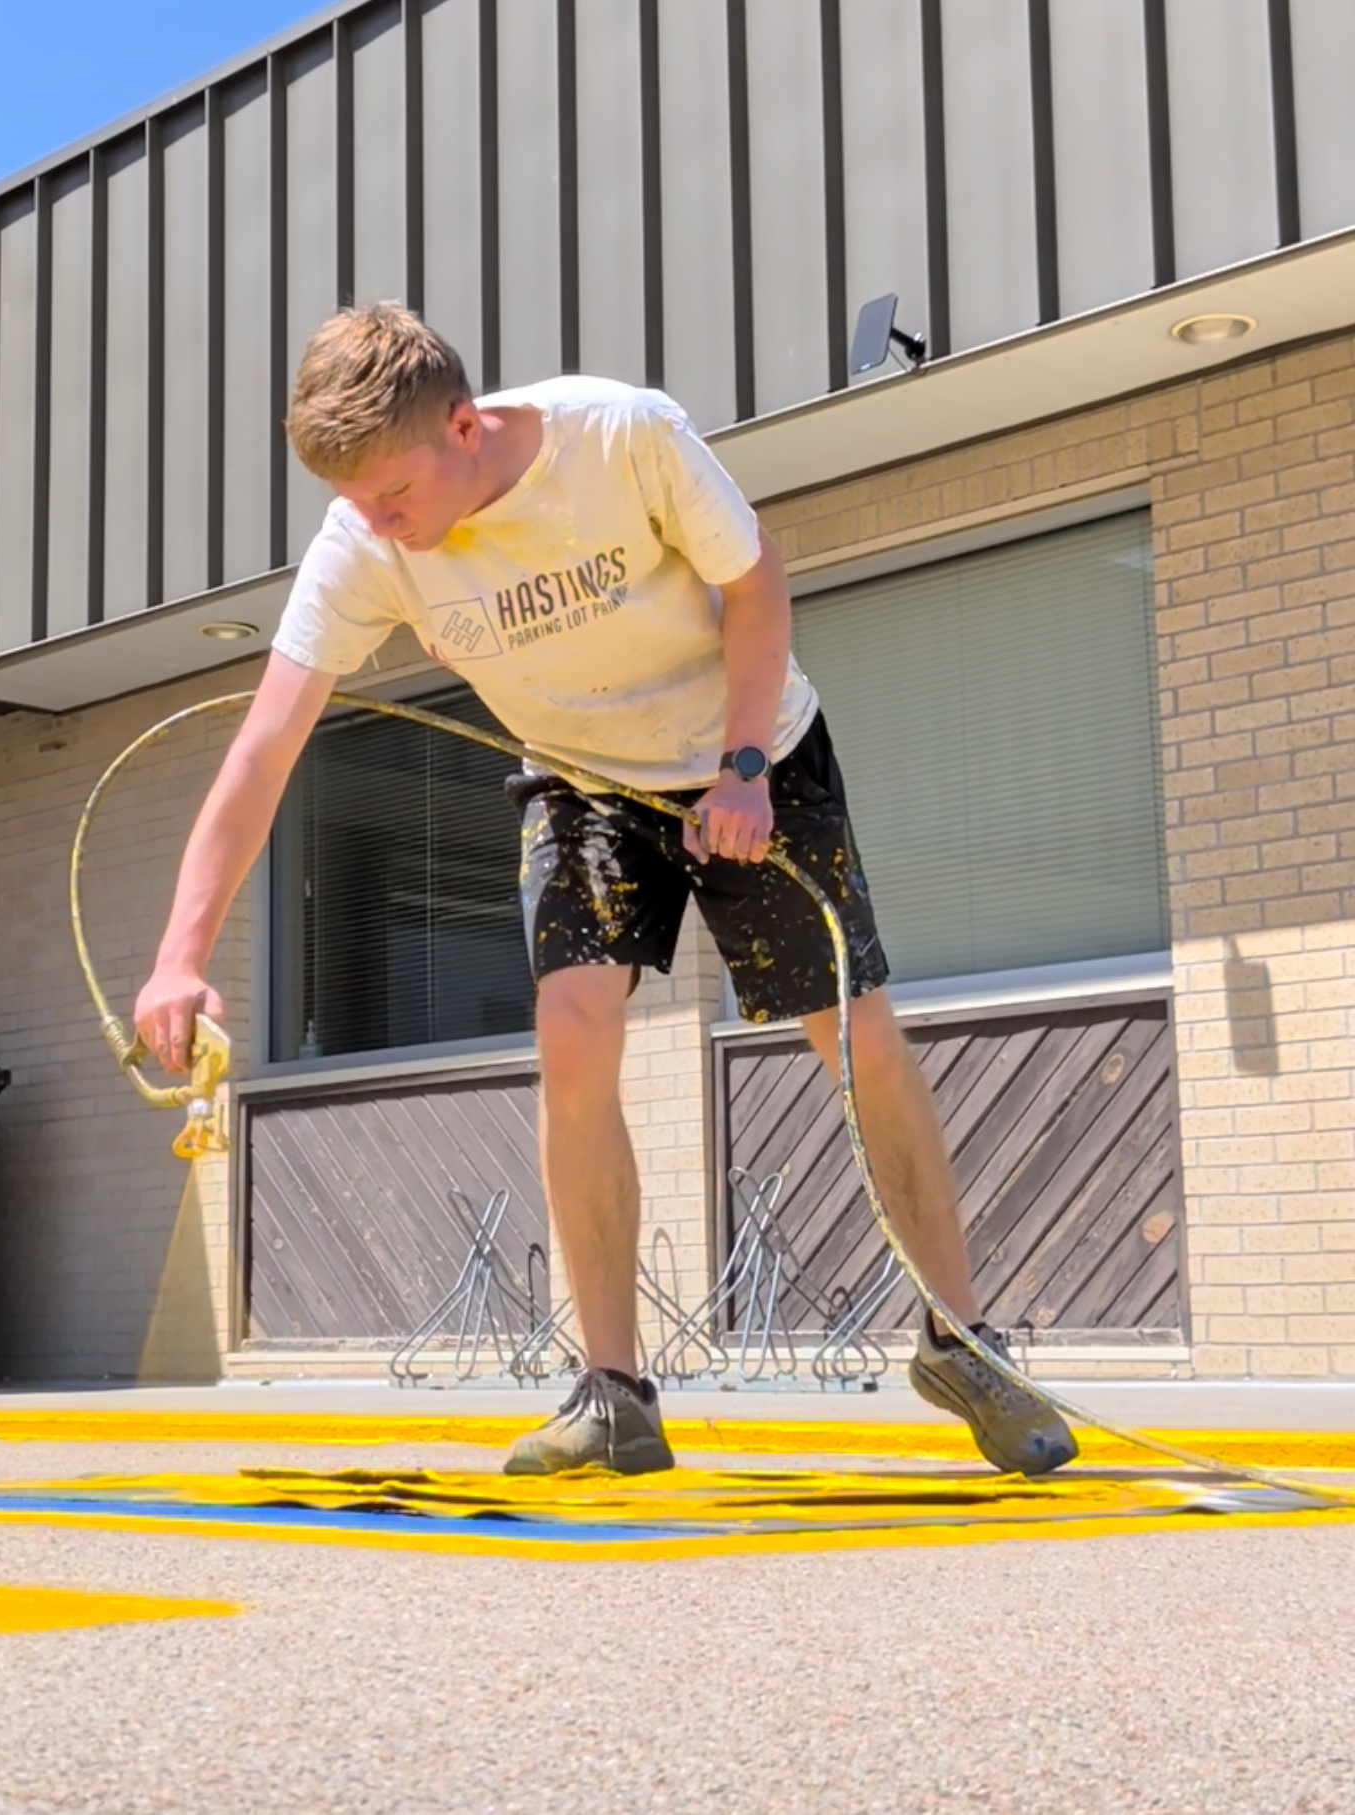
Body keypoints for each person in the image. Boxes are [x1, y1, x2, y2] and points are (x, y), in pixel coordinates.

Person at [133, 302, 1077, 1479]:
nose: (377, 525)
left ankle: (959, 1339)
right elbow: (264, 750)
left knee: (853, 1037)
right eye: (355, 503)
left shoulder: (620, 434)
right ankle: (615, 1392)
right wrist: (179, 958)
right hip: (584, 781)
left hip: (751, 752)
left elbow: (755, 580)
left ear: (463, 426)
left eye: (393, 495)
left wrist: (742, 768)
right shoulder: (362, 542)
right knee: (572, 1031)